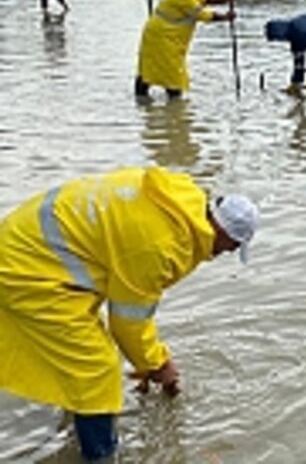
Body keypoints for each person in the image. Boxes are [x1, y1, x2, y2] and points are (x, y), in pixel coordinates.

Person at [0, 167, 258, 461]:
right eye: (230, 248)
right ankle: (101, 456)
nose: (221, 254)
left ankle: (77, 423)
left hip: (30, 246)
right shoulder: (164, 246)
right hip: (28, 272)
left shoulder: (177, 200)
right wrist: (158, 365)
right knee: (98, 370)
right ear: (227, 237)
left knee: (84, 353)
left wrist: (146, 364)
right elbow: (127, 323)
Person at [135, 0, 236, 99]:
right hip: (164, 37)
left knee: (150, 69)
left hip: (160, 35)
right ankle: (174, 107)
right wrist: (226, 17)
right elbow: (201, 14)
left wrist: (224, 0)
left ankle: (142, 102)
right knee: (173, 76)